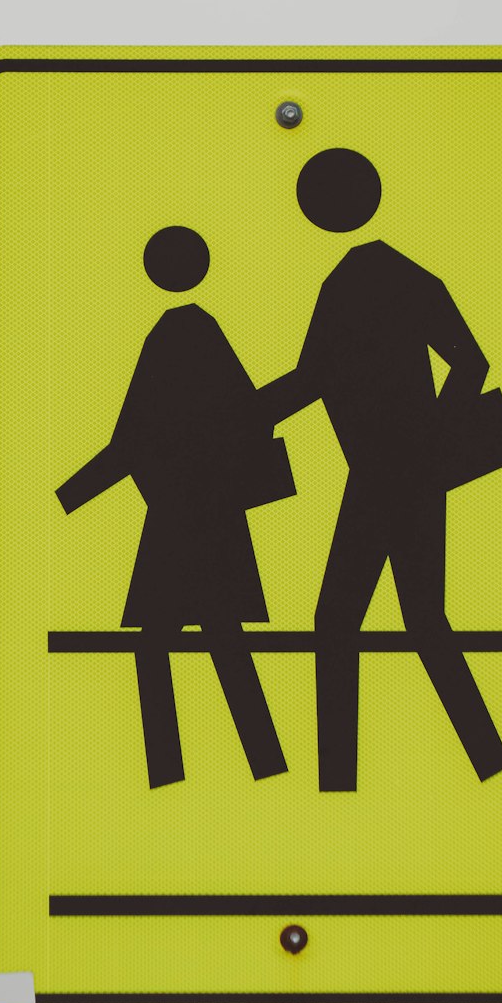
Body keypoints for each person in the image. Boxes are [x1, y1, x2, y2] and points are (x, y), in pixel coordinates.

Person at [261, 149, 502, 792]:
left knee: (343, 622)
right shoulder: (391, 277)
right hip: (397, 475)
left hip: (386, 476)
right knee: (417, 622)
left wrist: (239, 417)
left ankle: (339, 782)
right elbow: (468, 364)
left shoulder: (356, 282)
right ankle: (487, 763)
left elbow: (314, 379)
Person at [57, 225, 292, 789]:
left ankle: (172, 774)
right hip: (210, 521)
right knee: (221, 643)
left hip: (180, 524)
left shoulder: (171, 337)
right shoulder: (202, 333)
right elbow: (250, 417)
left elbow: (130, 441)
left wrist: (71, 496)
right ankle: (264, 764)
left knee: (163, 645)